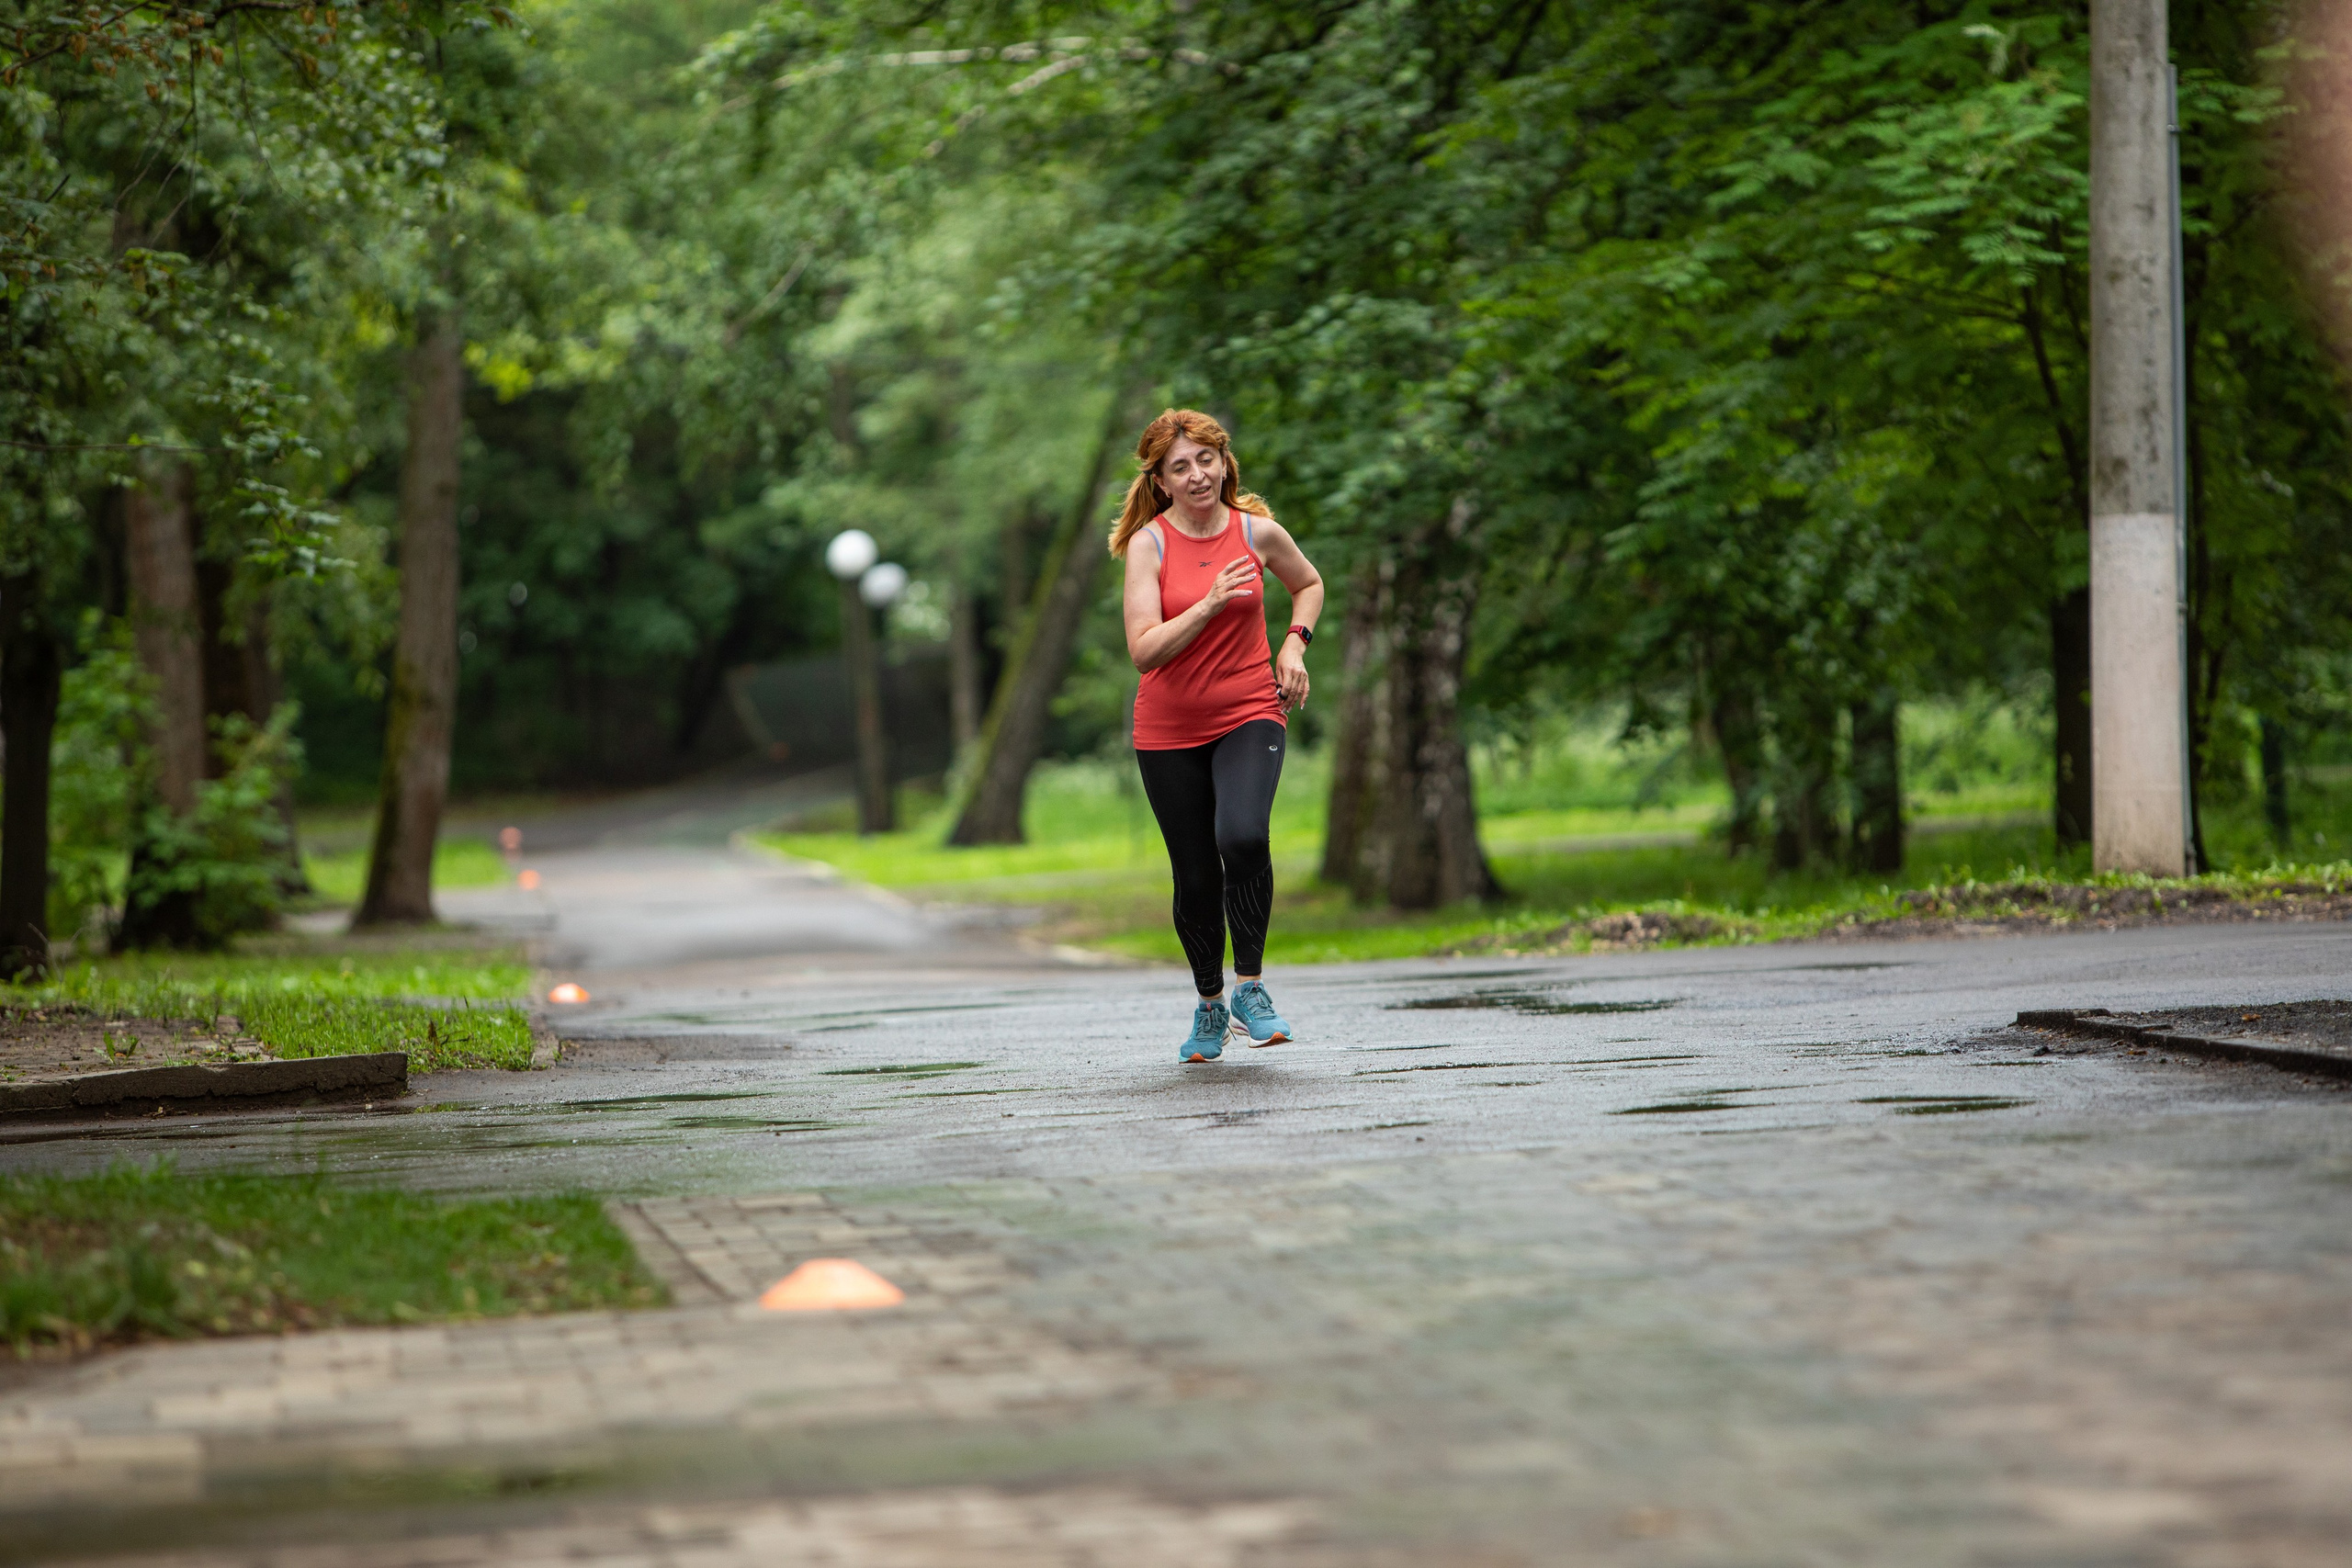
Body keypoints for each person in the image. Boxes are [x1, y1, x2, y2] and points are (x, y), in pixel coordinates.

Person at [1113, 409, 1324, 1064]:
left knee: (1243, 835)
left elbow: (1309, 584)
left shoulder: (1257, 531)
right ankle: (1210, 1005)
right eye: (1181, 466)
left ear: (1224, 462)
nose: (1198, 473)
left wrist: (1295, 644)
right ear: (1162, 479)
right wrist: (1206, 604)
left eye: (1207, 459)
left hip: (1249, 710)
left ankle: (1251, 990)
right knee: (1196, 871)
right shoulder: (1150, 545)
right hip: (1168, 729)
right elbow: (1144, 652)